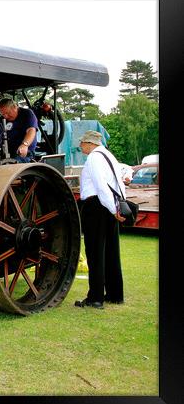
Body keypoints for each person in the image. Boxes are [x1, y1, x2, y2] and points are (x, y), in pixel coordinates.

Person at [75, 130, 125, 309]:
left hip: (97, 205)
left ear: (90, 143)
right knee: (112, 251)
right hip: (110, 205)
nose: (80, 146)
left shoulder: (94, 158)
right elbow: (118, 184)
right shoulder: (109, 156)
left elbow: (101, 186)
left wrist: (112, 209)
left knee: (95, 253)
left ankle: (95, 298)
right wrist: (117, 209)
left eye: (82, 143)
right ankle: (115, 293)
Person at [0, 98, 38, 163]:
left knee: (13, 166)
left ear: (15, 107)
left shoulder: (27, 114)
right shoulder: (1, 120)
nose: (5, 116)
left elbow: (31, 130)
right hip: (6, 152)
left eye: (8, 113)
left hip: (23, 153)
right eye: (3, 114)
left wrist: (25, 145)